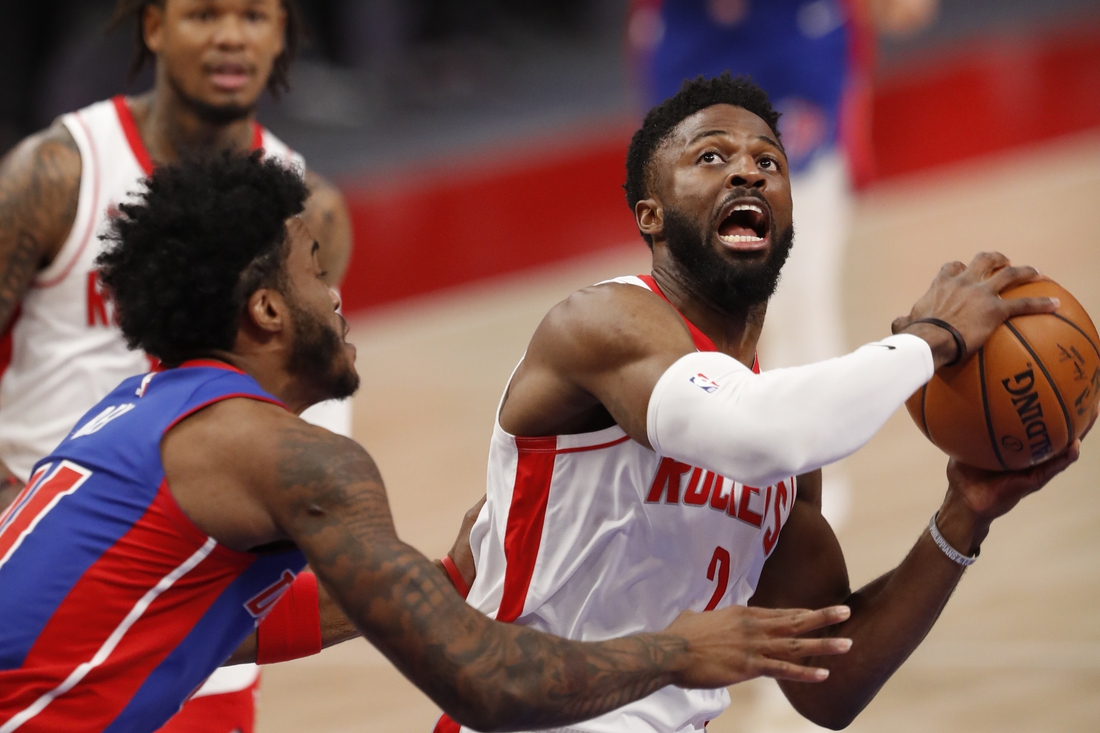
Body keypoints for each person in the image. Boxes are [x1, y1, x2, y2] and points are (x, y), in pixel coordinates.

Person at [0, 152, 858, 733]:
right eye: (315, 268)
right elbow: (488, 683)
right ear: (265, 310)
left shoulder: (137, 410)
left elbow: (194, 621)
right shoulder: (291, 457)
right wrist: (680, 649)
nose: (340, 297)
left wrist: (447, 578)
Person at [442, 73, 1081, 733]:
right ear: (650, 214)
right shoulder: (603, 321)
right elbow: (756, 435)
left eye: (767, 161)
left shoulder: (781, 428)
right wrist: (933, 340)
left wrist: (962, 515)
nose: (746, 172)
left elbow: (830, 683)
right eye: (711, 156)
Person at [0, 0, 351, 727]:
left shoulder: (307, 211)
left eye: (255, 16)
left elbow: (306, 411)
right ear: (154, 27)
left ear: (284, 34)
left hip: (196, 591)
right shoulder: (59, 171)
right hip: (44, 578)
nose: (231, 35)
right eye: (204, 14)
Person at [628, 0, 940, 527]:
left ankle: (810, 497)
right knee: (699, 313)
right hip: (693, 45)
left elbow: (907, 12)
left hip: (794, 50)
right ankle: (723, 486)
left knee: (797, 305)